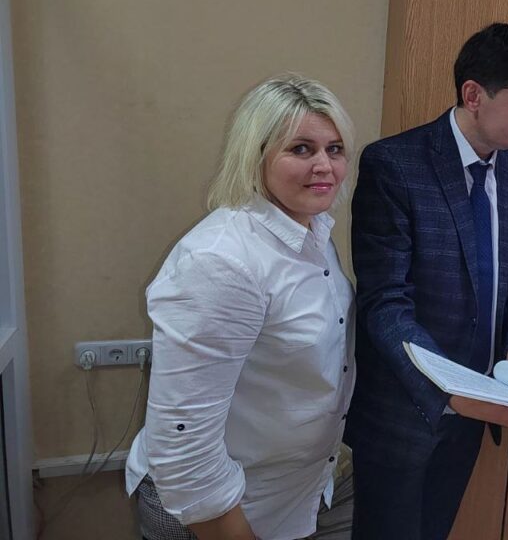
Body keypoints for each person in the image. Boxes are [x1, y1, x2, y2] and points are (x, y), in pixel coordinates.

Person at [125, 74, 358, 540]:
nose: (325, 166)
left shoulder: (312, 232)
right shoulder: (221, 261)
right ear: (256, 156)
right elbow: (184, 446)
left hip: (299, 492)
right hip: (222, 513)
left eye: (334, 149)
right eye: (301, 149)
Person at [344, 22, 508, 540]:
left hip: (473, 412)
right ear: (474, 95)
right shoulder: (394, 165)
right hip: (403, 412)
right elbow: (385, 303)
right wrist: (452, 391)